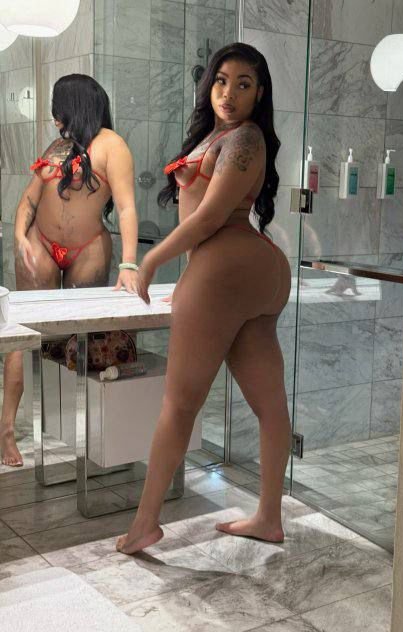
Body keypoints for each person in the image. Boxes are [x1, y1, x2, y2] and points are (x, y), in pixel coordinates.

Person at [117, 42, 292, 554]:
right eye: (221, 80)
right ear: (209, 84)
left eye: (243, 84)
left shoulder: (245, 137)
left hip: (225, 268)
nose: (229, 92)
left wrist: (151, 259)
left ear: (260, 93)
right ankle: (269, 517)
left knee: (178, 404)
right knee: (269, 403)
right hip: (249, 271)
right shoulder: (220, 136)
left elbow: (211, 218)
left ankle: (145, 523)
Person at [0, 74, 139, 467]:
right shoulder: (58, 146)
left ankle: (87, 430)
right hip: (40, 245)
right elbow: (28, 201)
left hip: (87, 248)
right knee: (21, 334)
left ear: (75, 105)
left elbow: (126, 207)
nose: (54, 116)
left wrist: (129, 264)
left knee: (83, 336)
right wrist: (20, 238)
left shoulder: (113, 145)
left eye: (57, 108)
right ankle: (5, 430)